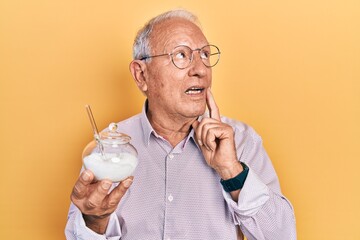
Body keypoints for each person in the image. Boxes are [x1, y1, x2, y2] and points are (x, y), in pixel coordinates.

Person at [65, 9, 296, 240]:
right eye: (181, 56)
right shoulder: (110, 148)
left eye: (205, 55)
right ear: (141, 75)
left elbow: (283, 236)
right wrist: (95, 221)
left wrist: (231, 171)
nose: (200, 70)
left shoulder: (242, 141)